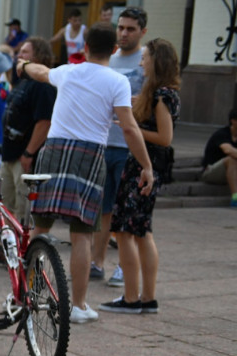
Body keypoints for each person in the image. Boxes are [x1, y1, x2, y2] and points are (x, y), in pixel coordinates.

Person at [16, 21, 154, 325]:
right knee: (81, 236)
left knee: (41, 228)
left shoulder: (68, 71)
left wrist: (24, 65)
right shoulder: (118, 81)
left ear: (85, 47)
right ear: (114, 48)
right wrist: (146, 165)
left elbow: (40, 73)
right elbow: (129, 128)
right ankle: (77, 305)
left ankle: (26, 294)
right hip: (89, 155)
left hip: (52, 151)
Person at [100, 39, 180, 315]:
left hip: (144, 169)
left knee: (126, 231)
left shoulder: (162, 96)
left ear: (156, 61)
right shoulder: (159, 93)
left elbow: (165, 138)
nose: (141, 62)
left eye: (145, 57)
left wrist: (130, 125)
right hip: (145, 168)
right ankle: (147, 298)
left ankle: (132, 298)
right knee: (142, 232)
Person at [92, 6, 147, 288]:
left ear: (142, 32)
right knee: (103, 208)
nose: (124, 33)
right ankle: (96, 262)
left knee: (128, 211)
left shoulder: (146, 60)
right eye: (121, 28)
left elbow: (153, 102)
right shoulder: (109, 59)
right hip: (104, 144)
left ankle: (125, 267)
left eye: (130, 29)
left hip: (129, 147)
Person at [0, 37, 56, 219]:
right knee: (5, 205)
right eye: (19, 52)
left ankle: (23, 247)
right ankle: (6, 245)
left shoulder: (43, 85)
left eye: (24, 52)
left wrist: (29, 153)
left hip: (24, 157)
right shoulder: (24, 81)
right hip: (9, 154)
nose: (18, 56)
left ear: (38, 56)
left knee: (23, 209)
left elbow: (45, 122)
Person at [199, 108, 237, 204]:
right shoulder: (222, 134)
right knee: (232, 159)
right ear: (233, 121)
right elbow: (228, 150)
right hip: (210, 172)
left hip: (232, 173)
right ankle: (235, 198)